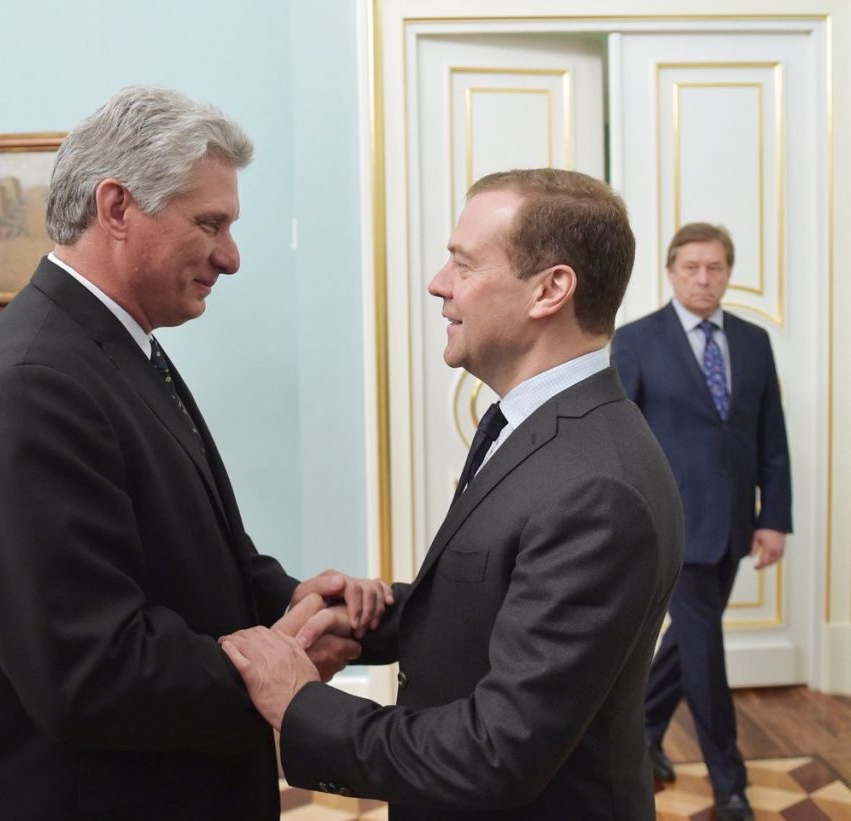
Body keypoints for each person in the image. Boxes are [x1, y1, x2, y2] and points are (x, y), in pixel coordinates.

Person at [0, 85, 391, 821]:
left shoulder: (111, 348)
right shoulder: (32, 384)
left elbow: (186, 559)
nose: (230, 256)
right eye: (210, 223)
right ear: (116, 208)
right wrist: (276, 663)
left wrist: (292, 600)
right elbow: (90, 670)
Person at [221, 168, 685, 820]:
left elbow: (496, 751)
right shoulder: (531, 424)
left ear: (550, 289)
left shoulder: (596, 489)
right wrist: (369, 619)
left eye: (463, 264)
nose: (439, 283)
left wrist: (302, 704)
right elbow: (503, 598)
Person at [611, 222, 792, 821]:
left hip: (735, 523)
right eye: (691, 266)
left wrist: (775, 519)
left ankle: (643, 733)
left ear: (729, 272)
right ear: (670, 271)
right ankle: (729, 780)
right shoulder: (638, 340)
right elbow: (623, 438)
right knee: (707, 650)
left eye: (714, 267)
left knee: (687, 641)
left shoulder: (754, 341)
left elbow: (772, 440)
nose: (703, 278)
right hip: (672, 523)